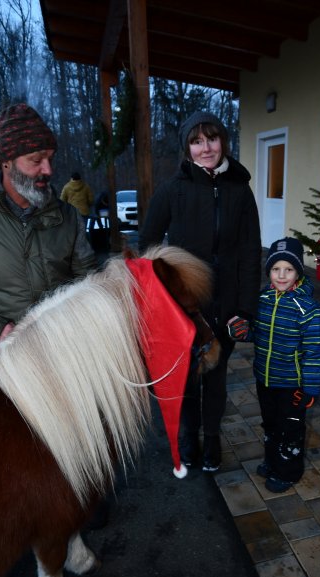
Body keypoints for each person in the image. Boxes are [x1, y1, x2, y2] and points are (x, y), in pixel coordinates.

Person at [139, 110, 262, 472]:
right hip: (185, 304)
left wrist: (246, 308)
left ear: (223, 141)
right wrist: (163, 291)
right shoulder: (172, 190)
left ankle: (212, 441)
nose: (205, 148)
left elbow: (250, 253)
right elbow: (147, 244)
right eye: (196, 141)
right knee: (189, 376)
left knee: (217, 377)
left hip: (226, 302)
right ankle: (189, 438)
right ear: (187, 148)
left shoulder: (240, 190)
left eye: (211, 139)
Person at [0, 103, 96, 345]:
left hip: (67, 350)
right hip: (2, 359)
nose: (48, 169)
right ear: (7, 161)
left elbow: (89, 282)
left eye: (50, 158)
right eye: (36, 160)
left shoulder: (68, 216)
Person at [230, 237, 320, 492]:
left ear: (298, 272)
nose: (281, 276)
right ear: (268, 271)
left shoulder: (309, 310)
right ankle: (272, 460)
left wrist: (311, 388)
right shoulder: (262, 299)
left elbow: (314, 353)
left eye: (289, 269)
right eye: (276, 269)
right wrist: (241, 332)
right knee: (270, 423)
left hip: (292, 384)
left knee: (290, 427)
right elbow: (257, 333)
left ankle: (288, 472)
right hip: (265, 378)